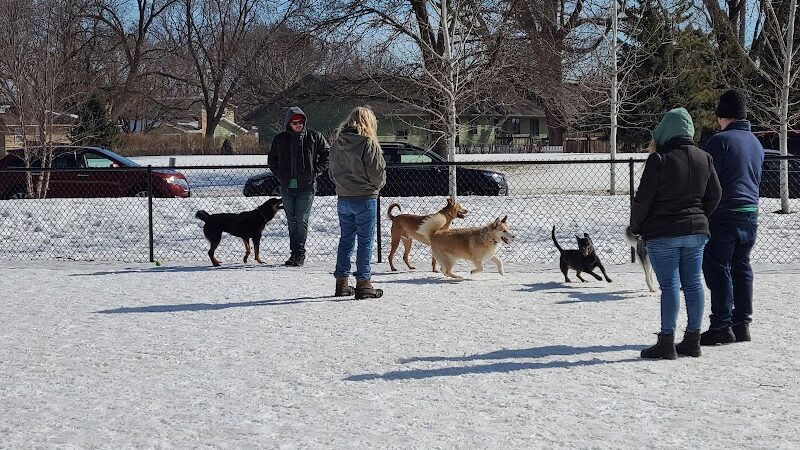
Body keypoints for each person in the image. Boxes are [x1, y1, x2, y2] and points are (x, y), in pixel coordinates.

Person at [631, 108, 722, 359]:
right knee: (693, 284)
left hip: (663, 233)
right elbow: (716, 195)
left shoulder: (659, 159)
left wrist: (637, 227)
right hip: (696, 232)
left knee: (670, 286)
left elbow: (643, 200)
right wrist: (700, 215)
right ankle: (693, 340)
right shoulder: (705, 157)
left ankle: (666, 342)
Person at [700, 89, 765, 345]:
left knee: (719, 269)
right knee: (742, 267)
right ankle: (742, 324)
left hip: (724, 213)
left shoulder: (720, 141)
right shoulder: (755, 143)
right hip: (750, 213)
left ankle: (721, 326)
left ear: (722, 115)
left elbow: (708, 181)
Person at [328, 106, 386, 299]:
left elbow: (331, 173)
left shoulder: (337, 143)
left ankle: (341, 283)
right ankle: (363, 283)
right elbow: (377, 174)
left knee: (346, 240)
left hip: (343, 198)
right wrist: (373, 186)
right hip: (365, 197)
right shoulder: (368, 143)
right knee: (365, 242)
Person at [268, 107, 330, 266]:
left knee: (301, 219)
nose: (298, 125)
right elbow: (272, 159)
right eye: (295, 122)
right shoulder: (280, 139)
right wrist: (279, 174)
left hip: (306, 186)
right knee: (291, 220)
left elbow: (327, 155)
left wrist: (315, 172)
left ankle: (300, 253)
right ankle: (293, 253)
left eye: (301, 122)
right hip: (287, 186)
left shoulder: (315, 137)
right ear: (289, 123)